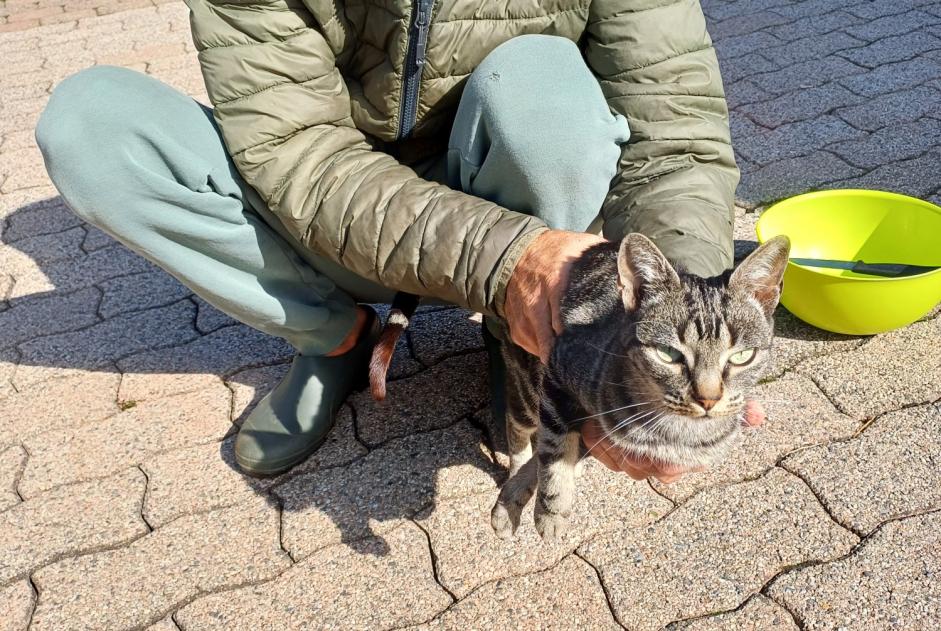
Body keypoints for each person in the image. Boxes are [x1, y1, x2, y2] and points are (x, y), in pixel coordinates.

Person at [35, 0, 751, 479]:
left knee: (545, 87)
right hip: (316, 205)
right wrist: (506, 259)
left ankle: (524, 335)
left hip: (494, 178)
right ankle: (331, 335)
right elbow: (295, 152)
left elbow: (675, 129)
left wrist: (692, 316)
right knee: (91, 126)